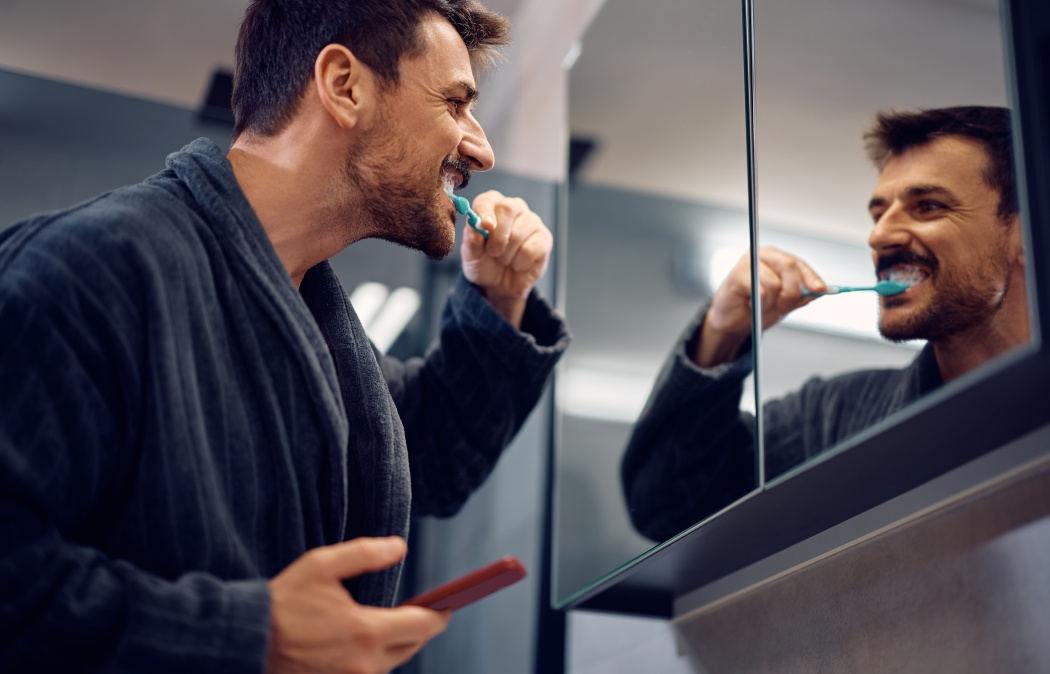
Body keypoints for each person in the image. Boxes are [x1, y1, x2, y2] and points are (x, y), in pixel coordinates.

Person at [0, 1, 570, 672]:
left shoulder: (310, 323)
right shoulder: (92, 268)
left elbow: (431, 457)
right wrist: (250, 632)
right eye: (454, 103)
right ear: (344, 85)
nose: (481, 147)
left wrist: (498, 299)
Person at [621, 106, 1027, 542]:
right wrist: (722, 335)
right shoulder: (835, 418)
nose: (878, 236)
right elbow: (666, 505)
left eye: (927, 206)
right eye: (878, 213)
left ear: (1028, 233)